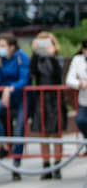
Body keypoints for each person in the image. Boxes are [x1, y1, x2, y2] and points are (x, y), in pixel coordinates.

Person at [0, 32, 30, 181]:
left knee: (19, 130)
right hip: (6, 99)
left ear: (12, 47)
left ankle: (16, 164)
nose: (0, 48)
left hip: (21, 98)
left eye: (3, 46)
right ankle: (4, 144)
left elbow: (25, 79)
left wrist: (10, 89)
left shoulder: (21, 57)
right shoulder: (1, 60)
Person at [29, 32, 66, 179]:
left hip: (55, 98)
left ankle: (57, 165)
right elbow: (32, 73)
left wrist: (52, 56)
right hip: (41, 98)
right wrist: (35, 53)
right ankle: (46, 165)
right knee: (43, 133)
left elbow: (58, 75)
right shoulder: (38, 59)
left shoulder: (58, 58)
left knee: (56, 133)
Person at [64, 39, 87, 148]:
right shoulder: (78, 60)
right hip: (84, 100)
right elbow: (69, 79)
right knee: (81, 120)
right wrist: (80, 83)